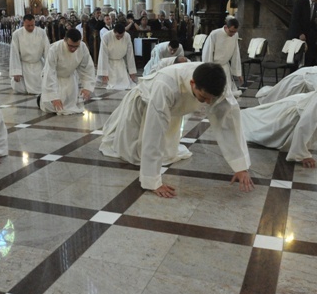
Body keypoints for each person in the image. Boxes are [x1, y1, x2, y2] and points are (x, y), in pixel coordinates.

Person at [100, 62, 253, 197]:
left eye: (211, 98)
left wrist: (240, 167)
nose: (208, 102)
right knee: (133, 152)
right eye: (204, 97)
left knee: (167, 153)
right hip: (144, 103)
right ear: (193, 83)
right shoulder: (166, 85)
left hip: (173, 109)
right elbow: (154, 133)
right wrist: (153, 181)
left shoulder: (216, 83)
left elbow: (229, 122)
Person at [40, 28, 96, 115]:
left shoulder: (83, 47)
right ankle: (40, 99)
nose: (73, 49)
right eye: (70, 46)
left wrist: (87, 87)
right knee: (52, 107)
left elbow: (87, 68)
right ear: (65, 40)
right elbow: (50, 73)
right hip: (55, 78)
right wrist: (53, 96)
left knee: (70, 105)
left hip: (70, 78)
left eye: (76, 46)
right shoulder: (54, 49)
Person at [9, 14, 49, 96]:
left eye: (32, 25)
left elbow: (47, 51)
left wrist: (48, 67)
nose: (31, 28)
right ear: (23, 23)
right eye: (28, 26)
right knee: (20, 87)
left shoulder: (41, 32)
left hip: (38, 64)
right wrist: (16, 72)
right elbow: (14, 53)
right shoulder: (17, 34)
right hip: (24, 66)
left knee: (43, 86)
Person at [202, 18, 243, 96]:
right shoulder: (215, 34)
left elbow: (236, 53)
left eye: (235, 32)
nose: (233, 34)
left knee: (227, 93)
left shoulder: (235, 35)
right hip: (214, 66)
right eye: (231, 31)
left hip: (225, 66)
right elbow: (208, 52)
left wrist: (238, 73)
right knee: (215, 92)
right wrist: (208, 69)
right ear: (226, 27)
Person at [289, 0, 317, 66]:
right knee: (296, 59)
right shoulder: (300, 3)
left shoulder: (315, 4)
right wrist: (300, 33)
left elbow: (310, 20)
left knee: (307, 58)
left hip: (308, 34)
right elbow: (295, 20)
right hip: (298, 34)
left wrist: (316, 27)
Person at [97, 23, 137, 90]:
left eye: (121, 36)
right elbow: (103, 55)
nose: (119, 38)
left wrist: (132, 71)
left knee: (125, 83)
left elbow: (130, 55)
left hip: (120, 63)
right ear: (114, 31)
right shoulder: (106, 36)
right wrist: (104, 73)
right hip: (109, 63)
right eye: (117, 36)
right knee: (109, 83)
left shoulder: (127, 36)